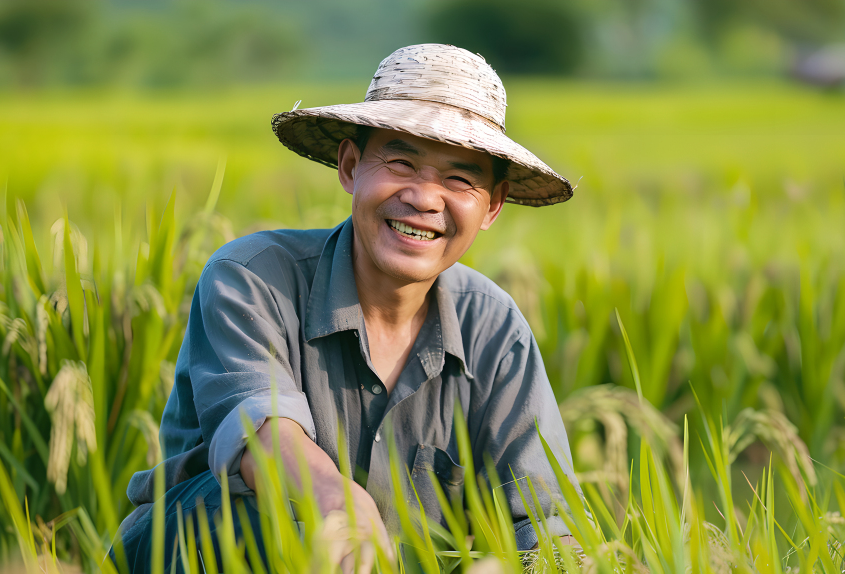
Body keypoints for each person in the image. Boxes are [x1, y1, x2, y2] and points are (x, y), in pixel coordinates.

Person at [114, 43, 579, 573]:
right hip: (203, 555)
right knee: (259, 519)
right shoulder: (252, 278)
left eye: (459, 179)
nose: (425, 200)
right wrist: (342, 503)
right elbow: (263, 434)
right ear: (351, 165)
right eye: (401, 162)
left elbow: (543, 525)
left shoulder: (495, 329)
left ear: (491, 206)